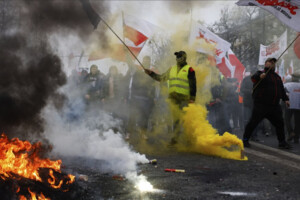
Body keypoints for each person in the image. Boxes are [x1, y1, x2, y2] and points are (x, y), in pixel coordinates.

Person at [145, 51, 196, 144]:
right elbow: (161, 78)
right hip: (174, 98)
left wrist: (192, 98)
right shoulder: (171, 69)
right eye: (177, 57)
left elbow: (193, 84)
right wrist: (151, 74)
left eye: (179, 56)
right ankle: (175, 139)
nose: (177, 58)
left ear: (184, 58)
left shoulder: (189, 70)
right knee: (175, 118)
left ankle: (189, 139)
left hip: (185, 98)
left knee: (186, 119)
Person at [242, 58, 291, 149]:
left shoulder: (277, 77)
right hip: (261, 105)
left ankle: (282, 142)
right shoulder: (260, 73)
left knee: (280, 123)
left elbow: (281, 90)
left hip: (274, 106)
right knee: (253, 123)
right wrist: (260, 76)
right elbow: (254, 77)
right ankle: (245, 140)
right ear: (266, 64)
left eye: (274, 63)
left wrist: (286, 99)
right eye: (271, 62)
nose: (273, 64)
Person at [284, 71, 300, 144]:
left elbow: (283, 94)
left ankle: (291, 132)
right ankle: (296, 137)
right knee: (297, 122)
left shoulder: (287, 85)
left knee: (287, 119)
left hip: (289, 105)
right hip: (298, 106)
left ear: (293, 78)